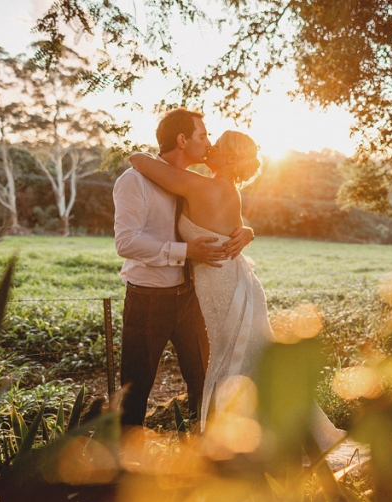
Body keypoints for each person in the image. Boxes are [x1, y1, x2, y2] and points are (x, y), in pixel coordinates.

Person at [129, 131, 345, 451]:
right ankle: (256, 436)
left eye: (217, 144)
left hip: (226, 289)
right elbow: (233, 228)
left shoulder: (200, 185)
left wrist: (184, 149)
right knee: (245, 360)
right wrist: (248, 231)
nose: (211, 146)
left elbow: (137, 160)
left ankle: (249, 442)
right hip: (237, 284)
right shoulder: (227, 188)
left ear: (230, 158)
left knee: (235, 361)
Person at [113, 108, 254, 426]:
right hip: (149, 298)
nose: (208, 143)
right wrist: (185, 251)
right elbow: (126, 243)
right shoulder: (134, 182)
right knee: (136, 388)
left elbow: (225, 217)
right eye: (202, 136)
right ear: (182, 140)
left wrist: (246, 232)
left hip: (192, 295)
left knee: (203, 380)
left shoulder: (194, 183)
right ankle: (126, 465)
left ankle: (199, 455)